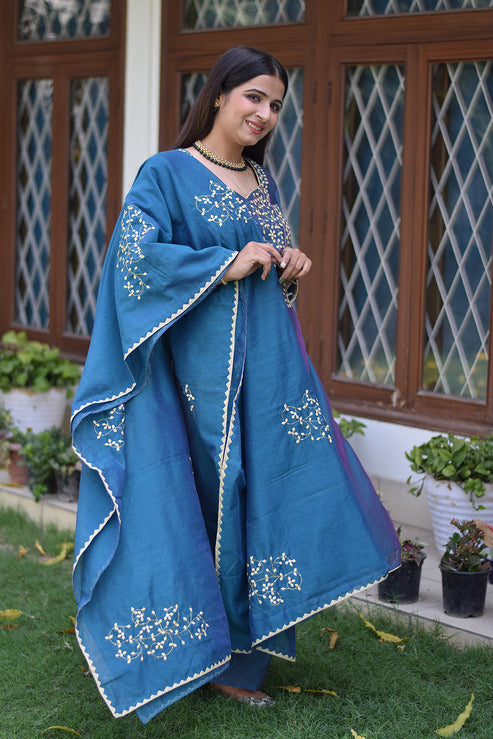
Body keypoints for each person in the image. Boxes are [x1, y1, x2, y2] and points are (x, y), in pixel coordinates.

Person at [71, 46, 400, 724]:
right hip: (190, 383)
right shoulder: (166, 173)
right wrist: (227, 261)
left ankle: (237, 654)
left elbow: (265, 273)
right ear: (219, 94)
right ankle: (188, 653)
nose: (264, 113)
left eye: (276, 104)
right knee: (193, 501)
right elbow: (135, 261)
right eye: (253, 96)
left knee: (257, 501)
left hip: (259, 379)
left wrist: (285, 263)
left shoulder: (262, 180)